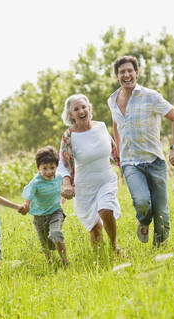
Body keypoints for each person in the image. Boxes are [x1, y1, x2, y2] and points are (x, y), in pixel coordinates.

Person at [107, 56, 174, 246]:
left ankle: (158, 251)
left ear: (136, 73)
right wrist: (118, 152)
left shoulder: (151, 96)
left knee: (161, 212)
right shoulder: (112, 100)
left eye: (129, 71)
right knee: (142, 202)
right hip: (130, 162)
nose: (126, 75)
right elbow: (116, 124)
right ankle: (143, 220)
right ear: (117, 76)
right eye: (122, 72)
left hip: (154, 160)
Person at [58, 94, 122, 254]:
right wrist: (66, 184)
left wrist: (127, 169)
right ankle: (100, 261)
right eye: (76, 109)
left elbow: (115, 152)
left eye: (84, 107)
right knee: (95, 229)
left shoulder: (100, 126)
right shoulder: (68, 136)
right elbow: (64, 163)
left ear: (89, 108)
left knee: (105, 210)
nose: (81, 111)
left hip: (106, 179)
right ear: (70, 114)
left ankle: (114, 247)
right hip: (84, 186)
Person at [18, 146, 68, 265]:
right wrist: (26, 206)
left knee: (55, 234)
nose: (49, 171)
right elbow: (28, 198)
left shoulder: (59, 177)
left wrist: (64, 195)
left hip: (56, 212)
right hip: (39, 216)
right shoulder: (35, 183)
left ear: (57, 166)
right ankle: (52, 264)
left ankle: (65, 261)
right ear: (38, 168)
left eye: (52, 168)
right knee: (46, 246)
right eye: (44, 168)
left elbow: (64, 187)